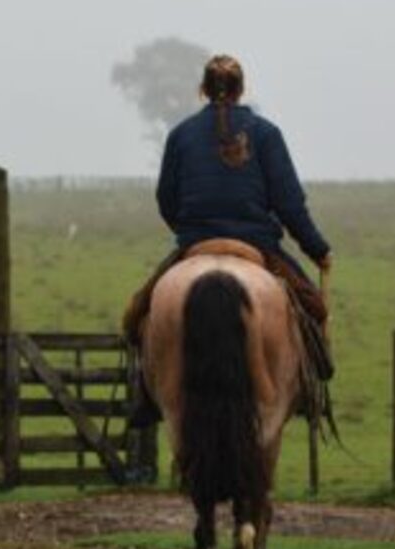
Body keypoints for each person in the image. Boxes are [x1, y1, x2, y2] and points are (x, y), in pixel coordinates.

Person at [124, 54, 334, 428]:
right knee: (314, 309)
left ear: (203, 90)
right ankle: (308, 387)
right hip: (257, 247)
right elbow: (289, 203)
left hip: (196, 243)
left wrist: (189, 230)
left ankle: (146, 394)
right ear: (242, 90)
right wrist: (316, 248)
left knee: (136, 316)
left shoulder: (180, 135)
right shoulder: (267, 134)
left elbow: (165, 199)